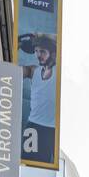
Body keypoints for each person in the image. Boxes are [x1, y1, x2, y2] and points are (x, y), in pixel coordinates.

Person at [18, 32, 57, 165]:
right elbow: (12, 72)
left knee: (44, 167)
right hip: (33, 126)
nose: (38, 55)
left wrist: (39, 35)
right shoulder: (33, 71)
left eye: (42, 51)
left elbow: (59, 40)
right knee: (28, 164)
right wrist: (19, 43)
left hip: (51, 130)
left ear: (53, 53)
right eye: (36, 51)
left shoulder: (59, 71)